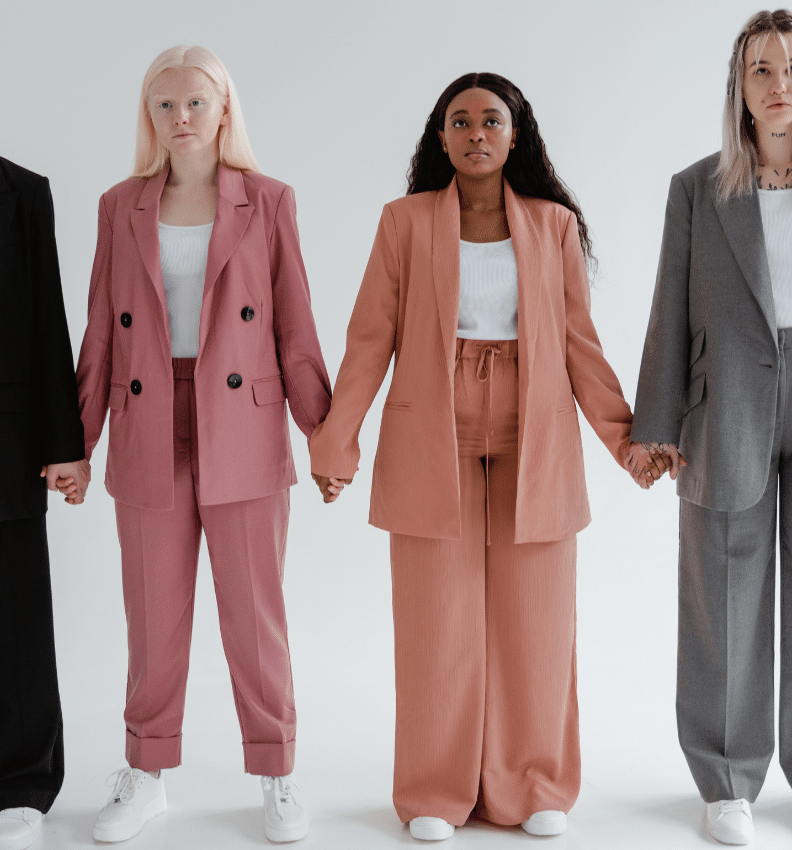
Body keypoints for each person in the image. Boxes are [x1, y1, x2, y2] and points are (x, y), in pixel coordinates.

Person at [309, 72, 665, 841]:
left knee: (536, 621)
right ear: (441, 137)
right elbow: (371, 338)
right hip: (429, 433)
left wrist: (627, 444)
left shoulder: (553, 225)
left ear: (516, 134)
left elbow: (580, 347)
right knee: (437, 622)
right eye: (460, 121)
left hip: (533, 433)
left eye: (491, 120)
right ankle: (436, 792)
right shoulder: (403, 223)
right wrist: (337, 440)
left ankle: (534, 784)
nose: (475, 132)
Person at [76, 44, 331, 844]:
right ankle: (146, 773)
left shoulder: (270, 200)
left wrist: (325, 435)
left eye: (195, 103)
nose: (179, 118)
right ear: (147, 116)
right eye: (164, 105)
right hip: (148, 420)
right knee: (152, 618)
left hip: (245, 426)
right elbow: (99, 334)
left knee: (256, 616)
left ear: (224, 110)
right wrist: (74, 442)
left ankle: (278, 772)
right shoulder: (121, 205)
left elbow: (295, 329)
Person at [632, 9, 792, 846]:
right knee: (724, 593)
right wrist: (654, 425)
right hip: (723, 401)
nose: (778, 86)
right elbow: (670, 311)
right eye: (761, 70)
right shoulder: (698, 188)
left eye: (790, 68)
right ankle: (727, 778)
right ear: (739, 86)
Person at [0, 16, 89, 850]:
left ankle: (20, 792)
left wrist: (64, 440)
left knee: (10, 615)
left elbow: (46, 322)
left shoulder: (21, 192)